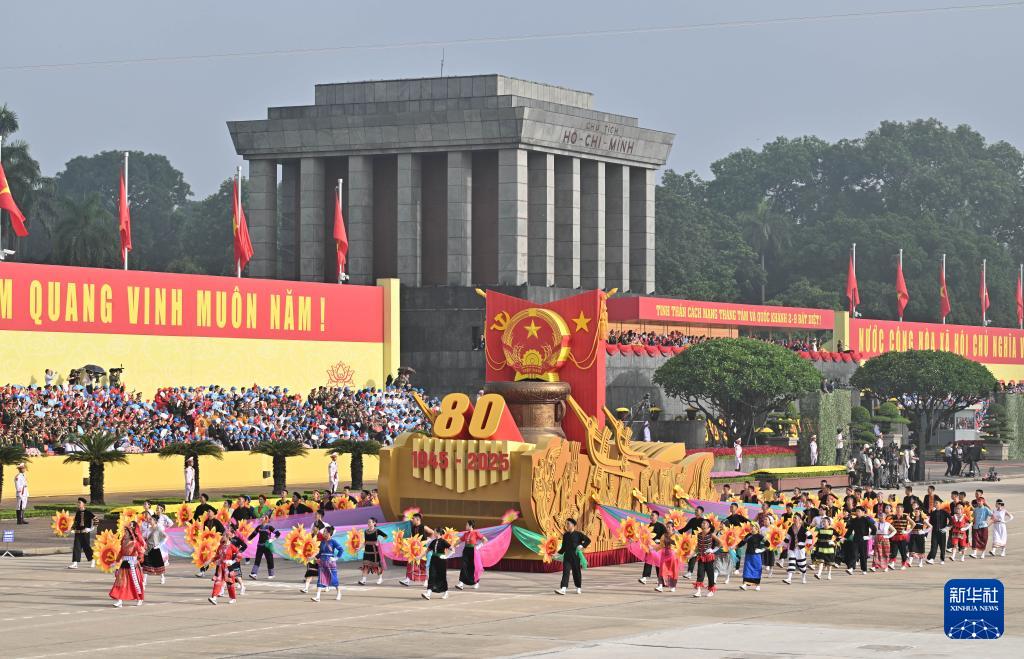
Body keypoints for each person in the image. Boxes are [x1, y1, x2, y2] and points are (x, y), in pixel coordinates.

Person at [109, 521, 146, 607]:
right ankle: (119, 601)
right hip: (124, 563)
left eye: (126, 531)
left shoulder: (134, 542)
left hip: (133, 564)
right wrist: (116, 562)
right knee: (120, 581)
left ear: (130, 533)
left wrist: (138, 560)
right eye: (124, 531)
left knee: (135, 582)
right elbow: (121, 552)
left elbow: (140, 552)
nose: (124, 533)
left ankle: (139, 598)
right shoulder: (123, 541)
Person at [554, 518, 590, 596]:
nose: (567, 525)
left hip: (575, 556)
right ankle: (563, 589)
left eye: (568, 524)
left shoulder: (578, 534)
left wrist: (582, 545)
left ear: (573, 525)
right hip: (567, 556)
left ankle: (578, 587)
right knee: (565, 572)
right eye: (566, 524)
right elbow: (563, 548)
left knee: (576, 572)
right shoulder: (565, 535)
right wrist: (557, 554)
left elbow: (588, 540)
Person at [311, 526, 345, 602]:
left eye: (325, 532)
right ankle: (317, 597)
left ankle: (339, 593)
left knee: (334, 579)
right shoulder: (322, 542)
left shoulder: (333, 541)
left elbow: (341, 550)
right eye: (324, 531)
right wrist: (313, 557)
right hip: (322, 563)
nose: (323, 533)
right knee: (320, 579)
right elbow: (320, 553)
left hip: (330, 563)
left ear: (329, 533)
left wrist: (336, 558)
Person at [208, 535, 242, 605]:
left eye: (224, 536)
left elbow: (239, 555)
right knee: (217, 582)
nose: (222, 537)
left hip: (228, 567)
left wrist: (232, 561)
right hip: (220, 567)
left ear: (228, 538)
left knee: (229, 583)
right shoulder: (220, 546)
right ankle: (214, 598)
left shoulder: (232, 546)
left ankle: (233, 598)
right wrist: (210, 561)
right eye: (222, 536)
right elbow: (217, 556)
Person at [400, 512, 430, 587]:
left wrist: (428, 540)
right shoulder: (412, 527)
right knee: (410, 563)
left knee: (422, 564)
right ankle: (407, 579)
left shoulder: (424, 527)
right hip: (414, 548)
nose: (412, 520)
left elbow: (433, 533)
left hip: (422, 548)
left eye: (413, 519)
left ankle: (426, 580)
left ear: (418, 519)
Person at [456, 520, 487, 590]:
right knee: (463, 566)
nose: (465, 526)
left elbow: (485, 540)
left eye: (467, 525)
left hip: (473, 552)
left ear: (470, 526)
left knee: (473, 567)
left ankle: (476, 582)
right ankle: (461, 583)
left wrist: (478, 546)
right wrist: (452, 545)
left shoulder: (476, 533)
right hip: (466, 551)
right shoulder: (465, 534)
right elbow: (459, 541)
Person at [423, 527, 453, 600]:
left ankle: (445, 592)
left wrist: (446, 556)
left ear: (438, 533)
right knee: (432, 575)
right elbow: (427, 551)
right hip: (433, 560)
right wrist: (419, 557)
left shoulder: (443, 541)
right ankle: (428, 593)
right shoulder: (433, 542)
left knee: (441, 576)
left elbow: (452, 549)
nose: (434, 533)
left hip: (441, 561)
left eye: (435, 532)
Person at [692, 518, 719, 598]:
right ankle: (698, 591)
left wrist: (713, 550)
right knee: (700, 574)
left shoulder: (711, 534)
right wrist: (692, 554)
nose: (703, 524)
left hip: (709, 557)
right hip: (701, 557)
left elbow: (720, 543)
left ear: (708, 526)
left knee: (710, 574)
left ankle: (711, 590)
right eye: (702, 523)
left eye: (705, 523)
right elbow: (698, 546)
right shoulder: (699, 535)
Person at [248, 515, 281, 579]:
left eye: (263, 517)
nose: (261, 518)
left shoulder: (269, 527)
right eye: (261, 517)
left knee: (269, 559)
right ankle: (254, 573)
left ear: (266, 519)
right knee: (257, 559)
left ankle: (271, 574)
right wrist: (247, 539)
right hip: (260, 545)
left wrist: (272, 539)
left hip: (267, 545)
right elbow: (253, 534)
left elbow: (278, 533)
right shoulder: (259, 527)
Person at [639, 510, 667, 585]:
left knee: (658, 563)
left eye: (653, 515)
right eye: (651, 515)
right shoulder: (648, 526)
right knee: (648, 561)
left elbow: (666, 535)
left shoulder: (661, 526)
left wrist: (660, 540)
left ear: (657, 517)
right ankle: (644, 577)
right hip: (650, 547)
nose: (651, 516)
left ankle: (660, 578)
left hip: (658, 547)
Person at [141, 512, 168, 585]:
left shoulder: (158, 529)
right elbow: (143, 536)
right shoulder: (148, 529)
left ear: (155, 521)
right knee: (146, 564)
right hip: (148, 549)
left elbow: (165, 537)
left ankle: (162, 577)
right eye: (150, 519)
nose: (150, 520)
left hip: (155, 548)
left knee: (158, 564)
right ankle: (144, 580)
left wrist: (159, 545)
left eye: (151, 519)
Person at [68, 497, 95, 569]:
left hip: (85, 533)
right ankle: (75, 563)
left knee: (86, 547)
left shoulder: (88, 512)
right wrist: (72, 529)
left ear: (84, 504)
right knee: (76, 547)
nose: (78, 504)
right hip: (78, 533)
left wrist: (91, 528)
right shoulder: (78, 512)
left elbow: (96, 520)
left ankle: (93, 559)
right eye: (78, 502)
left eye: (79, 503)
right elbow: (75, 522)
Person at [359, 518, 388, 585]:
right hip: (367, 551)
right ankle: (363, 580)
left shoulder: (377, 531)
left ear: (374, 523)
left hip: (375, 552)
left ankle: (380, 578)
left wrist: (379, 542)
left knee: (377, 566)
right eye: (368, 522)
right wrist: (359, 548)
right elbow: (365, 542)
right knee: (365, 565)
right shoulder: (365, 531)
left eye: (370, 522)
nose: (368, 523)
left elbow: (385, 536)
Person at [848, 506, 877, 574]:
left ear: (863, 512)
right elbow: (850, 530)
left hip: (863, 539)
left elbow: (874, 528)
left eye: (859, 511)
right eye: (856, 511)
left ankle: (864, 569)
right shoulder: (854, 520)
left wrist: (870, 537)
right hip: (855, 539)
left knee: (863, 555)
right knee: (854, 554)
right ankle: (851, 568)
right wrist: (845, 537)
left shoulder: (866, 519)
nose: (857, 513)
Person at [783, 514, 810, 584]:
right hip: (792, 548)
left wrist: (804, 544)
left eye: (796, 518)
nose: (794, 519)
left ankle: (803, 577)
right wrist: (783, 544)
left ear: (800, 520)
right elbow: (787, 538)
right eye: (794, 517)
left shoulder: (803, 529)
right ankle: (789, 579)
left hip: (800, 549)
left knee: (802, 565)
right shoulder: (790, 528)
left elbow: (810, 536)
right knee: (791, 562)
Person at [654, 520, 679, 593]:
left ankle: (673, 586)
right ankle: (660, 586)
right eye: (666, 527)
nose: (667, 528)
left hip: (673, 555)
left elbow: (680, 545)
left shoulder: (676, 536)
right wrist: (653, 548)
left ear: (673, 528)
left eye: (669, 527)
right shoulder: (663, 535)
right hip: (664, 554)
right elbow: (661, 546)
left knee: (673, 570)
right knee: (662, 570)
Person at [927, 497, 951, 565]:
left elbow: (951, 520)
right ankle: (932, 559)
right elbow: (930, 522)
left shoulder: (944, 512)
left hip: (942, 532)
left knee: (942, 546)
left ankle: (942, 559)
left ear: (940, 504)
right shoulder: (933, 513)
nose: (935, 504)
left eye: (936, 503)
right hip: (934, 532)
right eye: (934, 503)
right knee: (933, 545)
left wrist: (946, 527)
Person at [812, 516, 836, 580]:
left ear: (828, 522)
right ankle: (819, 574)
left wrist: (833, 541)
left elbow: (839, 536)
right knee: (821, 561)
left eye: (825, 521)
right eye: (823, 521)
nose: (823, 523)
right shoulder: (820, 530)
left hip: (829, 549)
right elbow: (817, 539)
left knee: (829, 563)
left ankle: (829, 574)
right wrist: (814, 545)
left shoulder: (832, 530)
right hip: (821, 548)